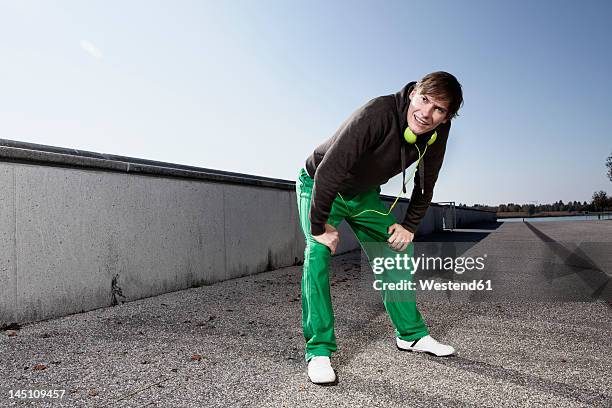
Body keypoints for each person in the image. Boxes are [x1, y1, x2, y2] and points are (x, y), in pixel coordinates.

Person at [295, 71, 463, 385]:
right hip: (319, 185)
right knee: (317, 252)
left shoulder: (438, 133)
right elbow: (330, 169)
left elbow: (426, 183)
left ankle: (410, 334)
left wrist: (410, 226)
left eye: (438, 109)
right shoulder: (378, 112)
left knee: (397, 249)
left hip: (363, 196)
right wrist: (319, 226)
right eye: (424, 100)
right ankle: (318, 349)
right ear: (413, 92)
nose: (426, 114)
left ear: (447, 116)